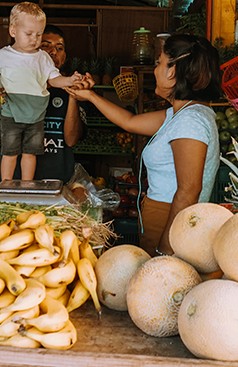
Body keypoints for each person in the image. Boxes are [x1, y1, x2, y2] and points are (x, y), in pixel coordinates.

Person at [67, 34, 223, 256]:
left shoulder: (191, 121)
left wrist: (166, 249)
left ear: (172, 71)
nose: (155, 69)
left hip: (170, 220)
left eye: (159, 62)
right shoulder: (180, 114)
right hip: (162, 216)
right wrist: (90, 96)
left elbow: (189, 190)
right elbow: (129, 122)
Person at [0, 2, 83, 182]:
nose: (35, 39)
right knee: (9, 153)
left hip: (36, 116)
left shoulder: (43, 58)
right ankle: (6, 183)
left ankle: (27, 184)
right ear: (13, 31)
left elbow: (54, 79)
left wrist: (70, 80)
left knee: (30, 153)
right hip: (11, 113)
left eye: (39, 34)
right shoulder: (2, 55)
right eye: (29, 34)